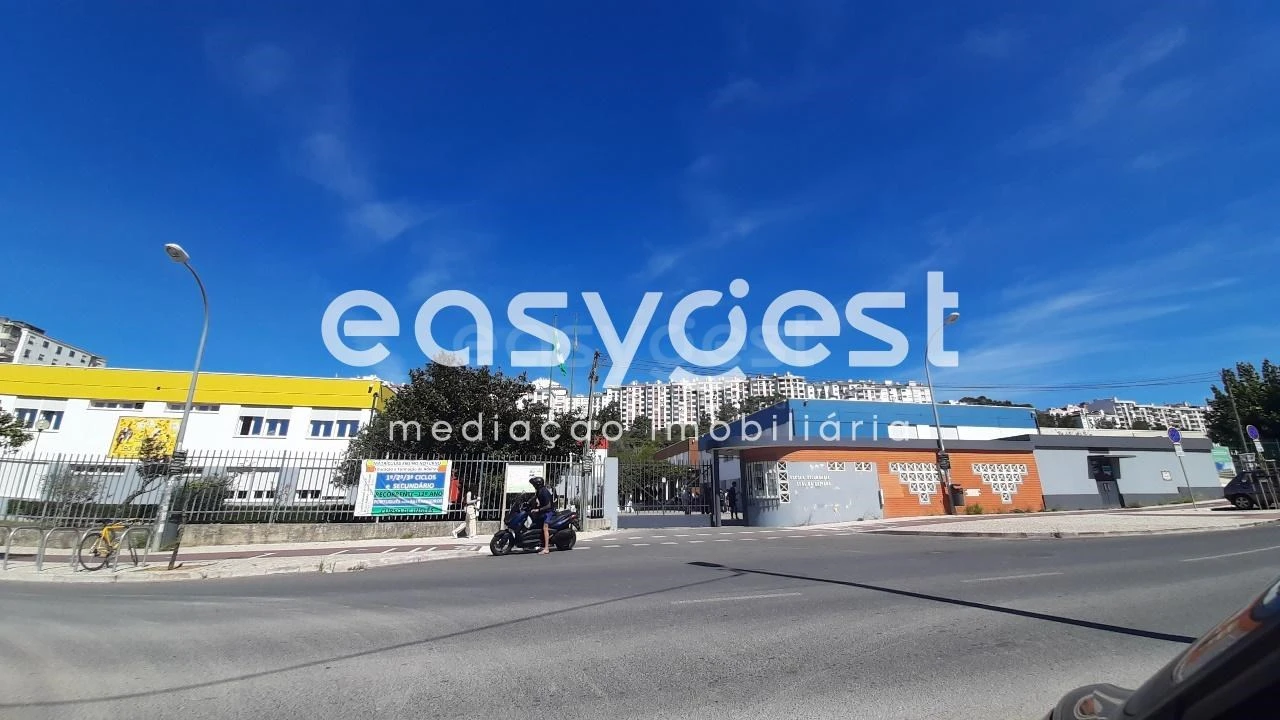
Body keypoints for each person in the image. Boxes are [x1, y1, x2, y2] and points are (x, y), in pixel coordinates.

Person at [528, 476, 556, 555]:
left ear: (538, 485)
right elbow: (534, 498)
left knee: (545, 527)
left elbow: (548, 505)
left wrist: (538, 510)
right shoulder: (538, 491)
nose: (533, 486)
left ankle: (546, 548)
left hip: (549, 512)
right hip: (543, 510)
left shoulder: (544, 492)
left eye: (534, 484)